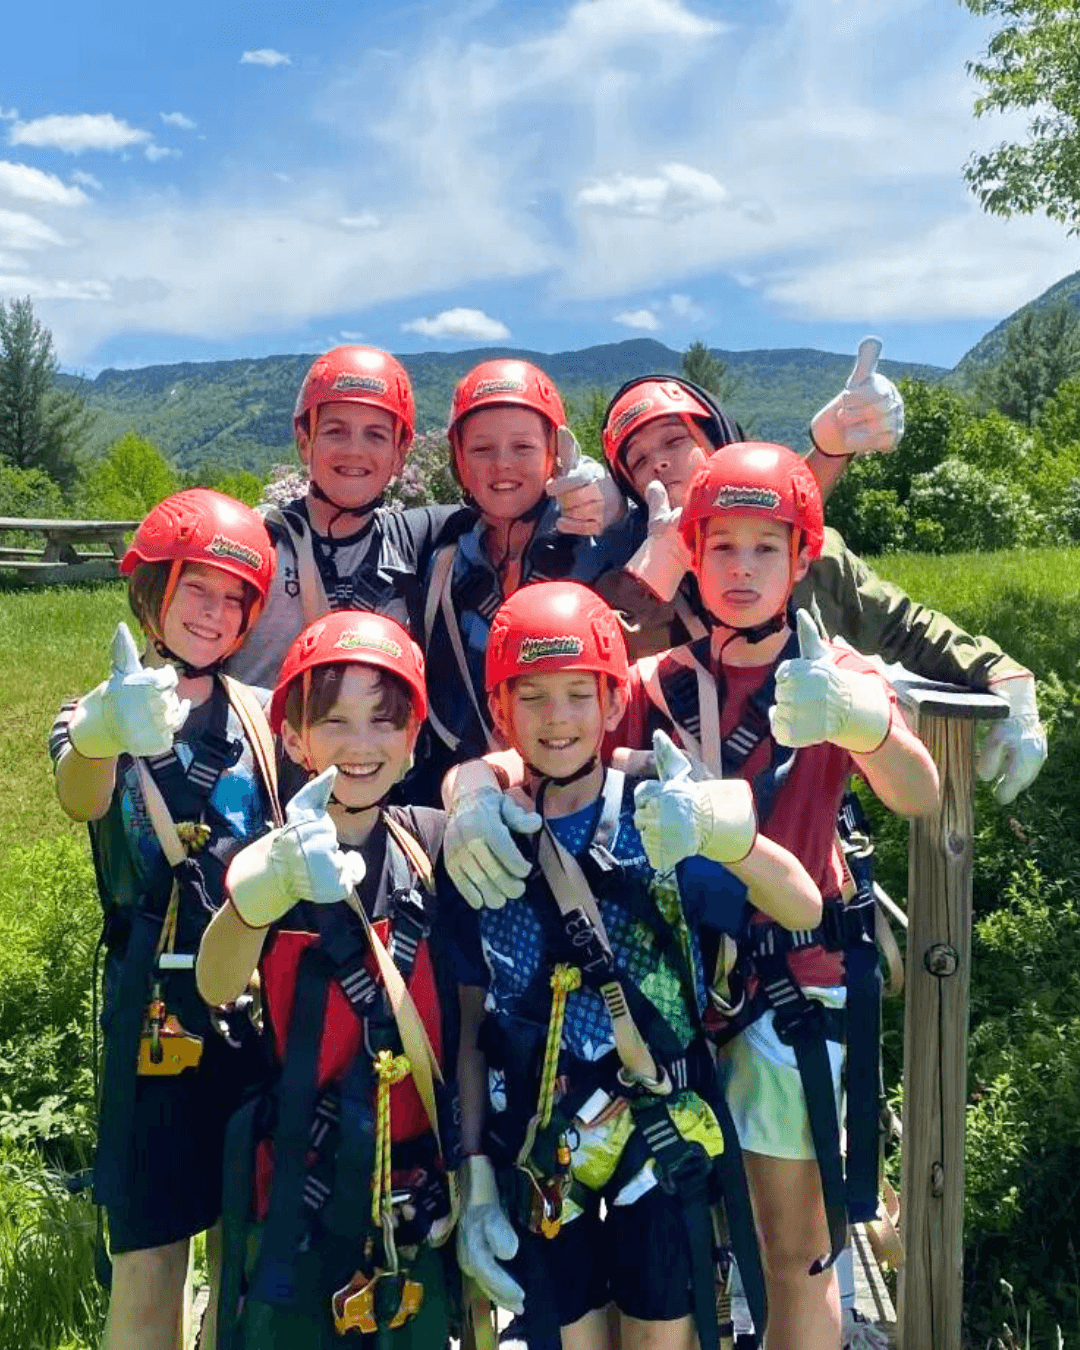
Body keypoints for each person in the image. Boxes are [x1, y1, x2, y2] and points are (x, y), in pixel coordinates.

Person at [450, 580, 823, 1350]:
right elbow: (467, 1023)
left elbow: (802, 907)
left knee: (665, 1337)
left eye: (579, 696)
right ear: (501, 713)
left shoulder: (660, 813)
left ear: (615, 703)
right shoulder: (485, 837)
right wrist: (477, 1174)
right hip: (542, 1144)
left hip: (660, 1133)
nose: (557, 719)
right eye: (535, 697)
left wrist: (725, 837)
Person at [593, 355, 1045, 809]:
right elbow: (581, 686)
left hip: (810, 829)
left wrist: (1006, 677)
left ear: (717, 440)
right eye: (638, 461)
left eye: (674, 441)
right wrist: (653, 583)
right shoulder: (626, 587)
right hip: (673, 834)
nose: (660, 465)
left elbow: (903, 626)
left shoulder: (813, 556)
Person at [50, 489, 278, 1350]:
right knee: (150, 1247)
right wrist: (108, 729)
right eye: (197, 591)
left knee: (241, 1242)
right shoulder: (92, 709)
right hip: (148, 996)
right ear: (152, 594)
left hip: (250, 998)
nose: (215, 616)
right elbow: (82, 793)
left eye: (233, 599)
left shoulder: (261, 715)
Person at [197, 610, 461, 1349]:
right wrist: (258, 899)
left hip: (413, 1192)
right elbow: (218, 984)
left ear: (413, 739)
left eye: (384, 721)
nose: (360, 745)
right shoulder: (267, 857)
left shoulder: (433, 844)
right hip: (301, 1194)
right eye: (335, 722)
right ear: (292, 738)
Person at [228, 345, 614, 691]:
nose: (355, 451)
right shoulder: (260, 542)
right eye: (336, 431)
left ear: (400, 452)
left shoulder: (412, 536)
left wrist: (604, 496)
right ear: (304, 443)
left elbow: (507, 507)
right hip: (263, 762)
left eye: (376, 435)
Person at [415, 359, 631, 803]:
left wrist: (617, 501)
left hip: (581, 789)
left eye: (523, 447)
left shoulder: (599, 540)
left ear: (555, 454)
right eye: (481, 450)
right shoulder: (444, 560)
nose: (502, 466)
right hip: (472, 787)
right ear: (458, 460)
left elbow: (677, 519)